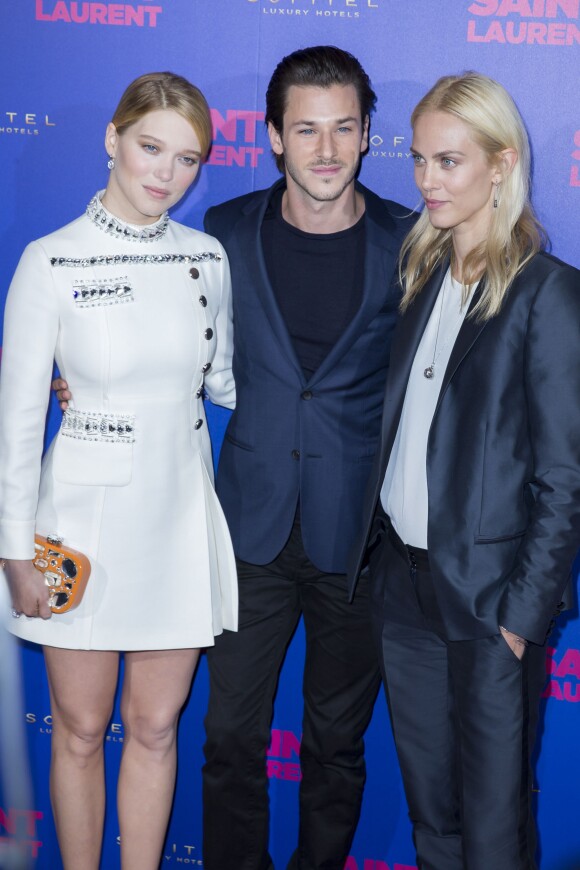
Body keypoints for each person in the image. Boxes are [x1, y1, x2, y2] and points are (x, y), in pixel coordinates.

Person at [53, 46, 413, 870]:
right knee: (228, 741)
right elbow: (161, 333)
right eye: (306, 130)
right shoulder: (221, 234)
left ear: (366, 138)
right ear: (275, 137)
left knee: (336, 748)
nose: (326, 150)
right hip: (244, 531)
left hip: (360, 540)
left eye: (344, 130)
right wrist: (93, 384)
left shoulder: (410, 238)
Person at [0, 72, 237, 870]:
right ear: (112, 139)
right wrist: (11, 548)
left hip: (176, 524)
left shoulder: (207, 257)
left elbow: (228, 380)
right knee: (76, 730)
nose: (166, 173)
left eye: (188, 159)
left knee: (157, 727)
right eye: (150, 148)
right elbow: (19, 419)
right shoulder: (50, 260)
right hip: (80, 530)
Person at [347, 71, 580, 870]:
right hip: (405, 594)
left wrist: (519, 617)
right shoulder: (420, 277)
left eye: (449, 162)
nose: (425, 181)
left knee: (491, 831)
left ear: (502, 164)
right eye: (418, 160)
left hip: (490, 610)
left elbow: (565, 479)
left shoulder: (548, 297)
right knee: (432, 818)